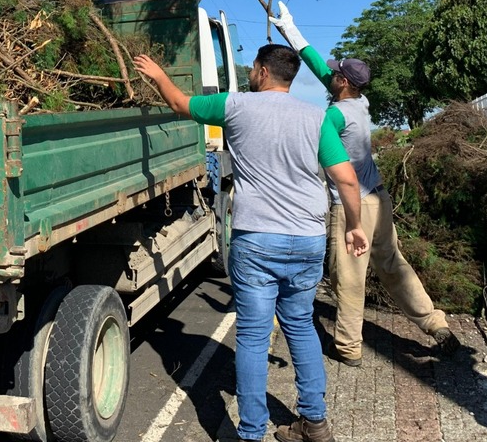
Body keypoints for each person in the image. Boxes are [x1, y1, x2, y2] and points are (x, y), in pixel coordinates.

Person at [134, 45, 368, 442]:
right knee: (301, 326)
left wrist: (157, 74)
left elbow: (178, 102)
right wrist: (355, 226)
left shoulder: (236, 106)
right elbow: (346, 178)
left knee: (254, 337)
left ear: (261, 71)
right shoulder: (317, 118)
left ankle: (251, 433)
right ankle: (315, 423)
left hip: (257, 241)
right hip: (307, 239)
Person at [269, 2, 461, 368]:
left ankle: (348, 347)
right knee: (393, 265)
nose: (333, 74)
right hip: (380, 200)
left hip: (351, 207)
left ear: (343, 83)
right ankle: (435, 324)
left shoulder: (333, 115)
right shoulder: (360, 102)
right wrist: (290, 30)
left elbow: (316, 159)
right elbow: (319, 66)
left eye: (337, 73)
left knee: (350, 280)